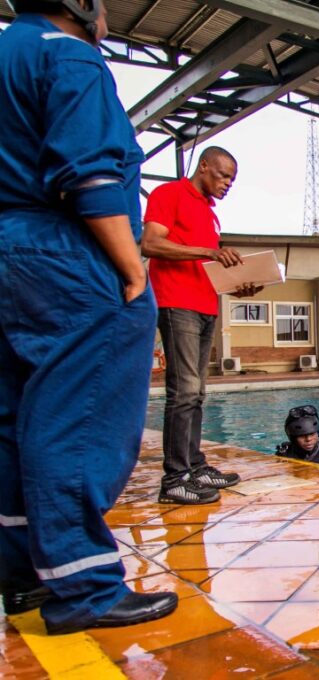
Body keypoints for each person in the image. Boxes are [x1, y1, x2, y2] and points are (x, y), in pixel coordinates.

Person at [0, 0, 178, 633]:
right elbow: (92, 174)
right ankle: (85, 587)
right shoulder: (69, 55)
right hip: (66, 253)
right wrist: (131, 269)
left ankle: (24, 573)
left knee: (15, 418)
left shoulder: (6, 51)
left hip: (9, 253)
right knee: (78, 419)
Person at [142, 146, 259, 504]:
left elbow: (206, 270)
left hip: (206, 305)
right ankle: (174, 479)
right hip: (177, 304)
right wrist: (209, 251)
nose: (227, 184)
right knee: (184, 391)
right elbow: (151, 244)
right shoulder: (169, 194)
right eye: (224, 176)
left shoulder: (209, 213)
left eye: (232, 181)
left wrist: (239, 288)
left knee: (197, 393)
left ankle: (194, 465)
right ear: (204, 166)